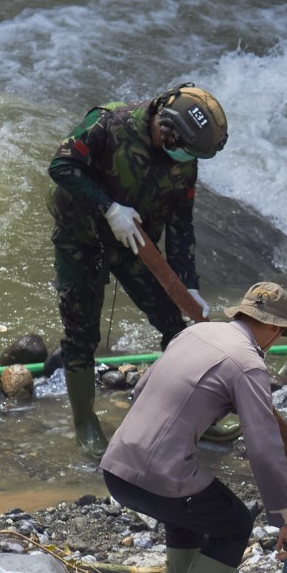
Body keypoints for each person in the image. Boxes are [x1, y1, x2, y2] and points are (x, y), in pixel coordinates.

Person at [49, 83, 229, 456]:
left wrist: (189, 285)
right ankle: (85, 423)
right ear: (167, 130)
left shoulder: (185, 160)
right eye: (185, 150)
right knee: (81, 335)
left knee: (176, 328)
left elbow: (182, 224)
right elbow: (61, 166)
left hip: (137, 246)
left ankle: (192, 416)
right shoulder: (108, 124)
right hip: (81, 240)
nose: (187, 159)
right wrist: (109, 207)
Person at [101, 283, 287, 573]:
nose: (276, 340)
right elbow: (264, 449)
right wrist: (285, 518)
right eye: (279, 334)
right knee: (235, 524)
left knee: (186, 518)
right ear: (272, 327)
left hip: (116, 467)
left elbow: (142, 389)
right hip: (157, 480)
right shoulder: (248, 363)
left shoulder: (195, 333)